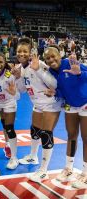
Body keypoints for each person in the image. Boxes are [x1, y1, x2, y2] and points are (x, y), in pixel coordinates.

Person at [13, 38, 62, 182]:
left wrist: (38, 70)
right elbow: (22, 90)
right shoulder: (21, 68)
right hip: (37, 103)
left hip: (51, 103)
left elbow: (54, 84)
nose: (22, 53)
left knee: (46, 134)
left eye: (25, 51)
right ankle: (33, 157)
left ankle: (43, 170)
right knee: (35, 130)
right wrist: (17, 78)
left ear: (31, 52)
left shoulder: (40, 64)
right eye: (19, 51)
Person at [46, 48, 87, 189]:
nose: (51, 60)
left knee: (86, 138)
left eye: (53, 57)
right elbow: (63, 89)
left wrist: (80, 73)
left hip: (85, 103)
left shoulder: (70, 63)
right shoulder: (51, 72)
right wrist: (55, 92)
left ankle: (86, 174)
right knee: (71, 136)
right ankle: (68, 168)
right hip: (70, 105)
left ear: (59, 56)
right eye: (48, 59)